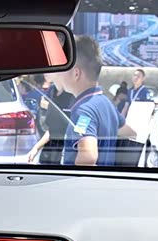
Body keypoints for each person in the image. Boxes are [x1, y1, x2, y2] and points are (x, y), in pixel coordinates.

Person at [55, 36, 136, 167]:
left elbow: (88, 157)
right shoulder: (105, 103)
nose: (60, 73)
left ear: (76, 74)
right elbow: (129, 131)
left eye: (64, 68)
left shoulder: (83, 110)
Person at [27, 72, 75, 165]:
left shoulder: (73, 95)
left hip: (65, 153)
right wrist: (36, 148)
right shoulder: (51, 91)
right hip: (49, 151)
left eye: (52, 69)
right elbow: (53, 129)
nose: (46, 72)